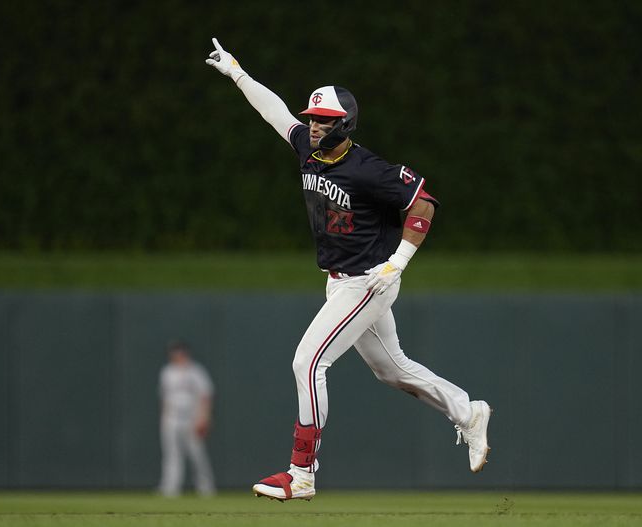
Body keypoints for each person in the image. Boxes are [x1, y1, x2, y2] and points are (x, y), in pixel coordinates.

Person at [205, 38, 491, 501]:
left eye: (325, 120)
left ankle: (302, 473)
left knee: (308, 361)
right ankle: (468, 411)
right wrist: (237, 72)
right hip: (340, 281)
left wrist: (398, 262)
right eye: (314, 118)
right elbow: (274, 112)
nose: (314, 125)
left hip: (368, 280)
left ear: (346, 124)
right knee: (392, 370)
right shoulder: (308, 148)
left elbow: (424, 202)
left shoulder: (368, 169)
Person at [158, 341, 216, 497]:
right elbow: (164, 399)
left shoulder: (196, 371)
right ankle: (170, 489)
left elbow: (205, 396)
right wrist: (164, 420)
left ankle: (206, 488)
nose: (178, 355)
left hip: (191, 418)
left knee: (197, 455)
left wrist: (203, 418)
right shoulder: (167, 372)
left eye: (180, 352)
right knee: (172, 455)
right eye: (175, 352)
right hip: (172, 418)